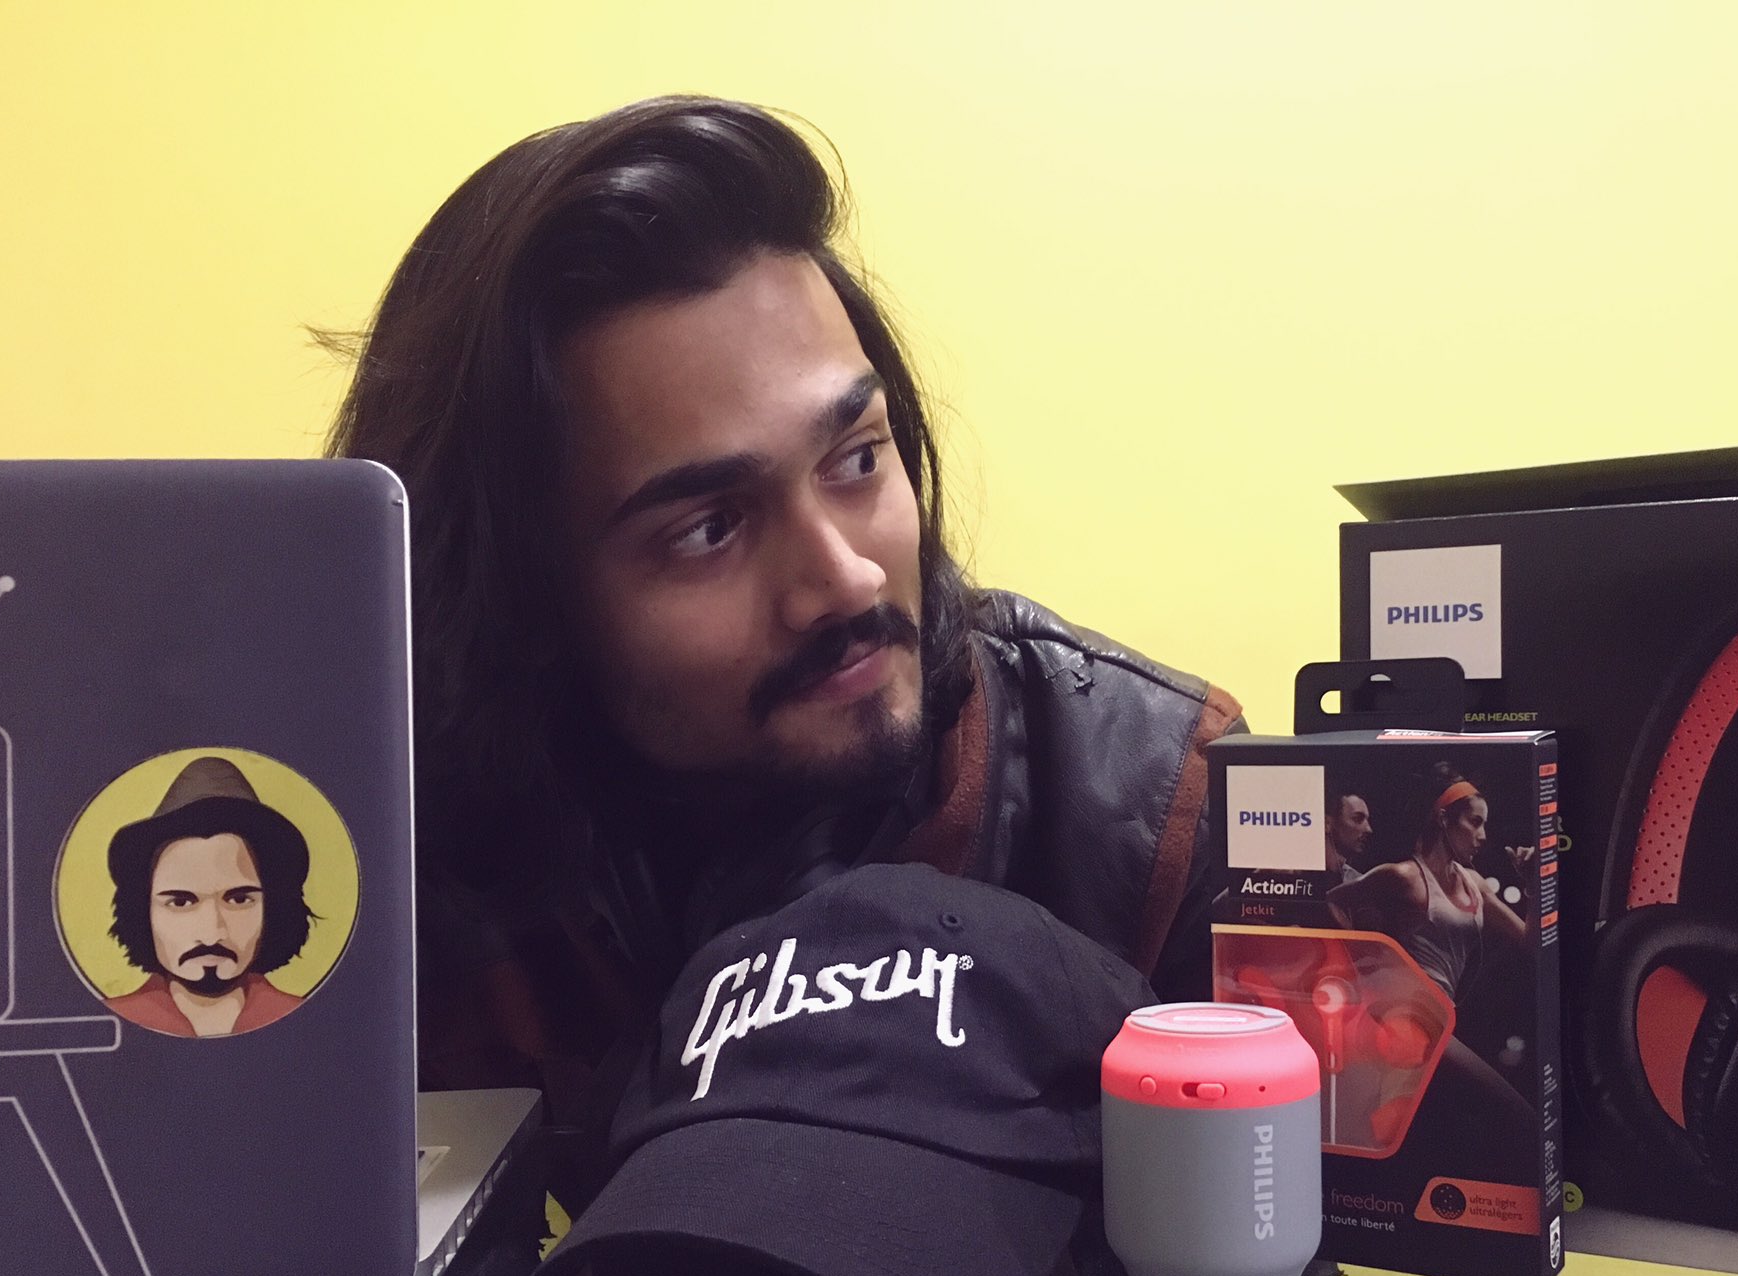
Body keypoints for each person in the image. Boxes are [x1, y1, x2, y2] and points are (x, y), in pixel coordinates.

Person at [322, 97, 1242, 1195]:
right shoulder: (404, 874)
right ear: (517, 601)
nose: (844, 579)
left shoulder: (1161, 813)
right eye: (709, 528)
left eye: (856, 459)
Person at [104, 757, 315, 1038]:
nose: (211, 933)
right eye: (180, 902)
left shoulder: (312, 1021)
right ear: (142, 912)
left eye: (239, 900)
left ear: (274, 908)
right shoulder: (107, 1023)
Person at [1329, 765, 1531, 1002]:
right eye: (1475, 822)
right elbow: (1333, 900)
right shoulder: (1405, 876)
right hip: (1402, 1007)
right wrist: (1363, 961)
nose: (1483, 835)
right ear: (1444, 819)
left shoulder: (1475, 884)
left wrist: (1534, 886)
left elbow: (1529, 941)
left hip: (1442, 1010)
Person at [1325, 791, 1373, 880]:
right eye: (1357, 818)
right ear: (1327, 823)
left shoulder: (1361, 882)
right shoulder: (1301, 872)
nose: (1368, 829)